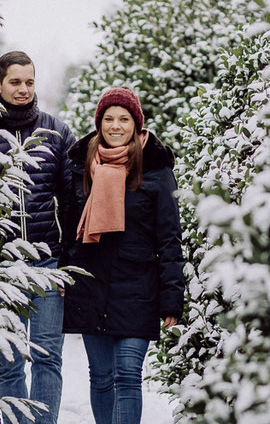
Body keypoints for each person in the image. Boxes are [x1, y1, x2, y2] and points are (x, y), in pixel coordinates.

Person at [60, 87, 185, 424]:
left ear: (137, 124)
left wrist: (172, 298)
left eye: (124, 119)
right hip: (91, 284)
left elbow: (170, 238)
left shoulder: (157, 172)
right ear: (99, 123)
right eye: (109, 119)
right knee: (100, 378)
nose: (116, 126)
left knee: (128, 375)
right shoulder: (81, 167)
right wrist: (63, 273)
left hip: (138, 289)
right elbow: (69, 230)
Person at [0, 51, 77, 424]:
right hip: (1, 268)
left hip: (47, 264)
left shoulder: (57, 132)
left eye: (29, 82)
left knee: (49, 356)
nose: (23, 89)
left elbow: (72, 201)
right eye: (15, 82)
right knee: (10, 360)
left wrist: (68, 263)